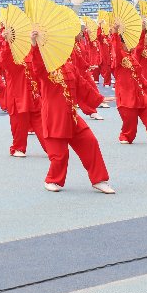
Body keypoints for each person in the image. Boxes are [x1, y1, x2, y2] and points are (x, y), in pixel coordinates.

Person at [29, 30, 115, 193]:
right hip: (54, 118)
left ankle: (99, 179)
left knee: (90, 142)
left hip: (71, 116)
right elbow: (37, 67)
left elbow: (82, 86)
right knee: (59, 156)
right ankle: (52, 179)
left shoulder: (69, 66)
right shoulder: (47, 68)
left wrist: (99, 99)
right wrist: (34, 45)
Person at [0, 39, 47, 157]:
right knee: (19, 123)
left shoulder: (30, 52)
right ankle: (17, 148)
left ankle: (50, 147)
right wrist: (7, 43)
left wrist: (34, 45)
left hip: (33, 94)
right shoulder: (11, 54)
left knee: (41, 123)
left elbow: (39, 65)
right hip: (18, 95)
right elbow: (2, 61)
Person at [110, 22, 147, 144]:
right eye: (128, 43)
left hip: (139, 94)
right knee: (130, 122)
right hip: (126, 96)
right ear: (123, 44)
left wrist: (142, 30)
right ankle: (125, 136)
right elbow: (116, 47)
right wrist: (115, 33)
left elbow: (140, 46)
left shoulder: (133, 56)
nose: (132, 45)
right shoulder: (120, 58)